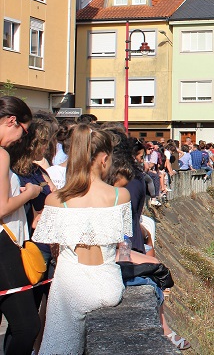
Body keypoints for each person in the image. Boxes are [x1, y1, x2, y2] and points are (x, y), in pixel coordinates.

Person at [32, 125, 133, 354]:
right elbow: (121, 240)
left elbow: (53, 248)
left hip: (71, 286)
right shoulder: (120, 195)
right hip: (108, 285)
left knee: (57, 347)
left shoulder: (56, 200)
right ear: (104, 159)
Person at [0, 96, 42, 354]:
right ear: (11, 121)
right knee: (27, 326)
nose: (20, 139)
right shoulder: (1, 154)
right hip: (3, 247)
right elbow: (2, 207)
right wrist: (31, 192)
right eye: (23, 132)